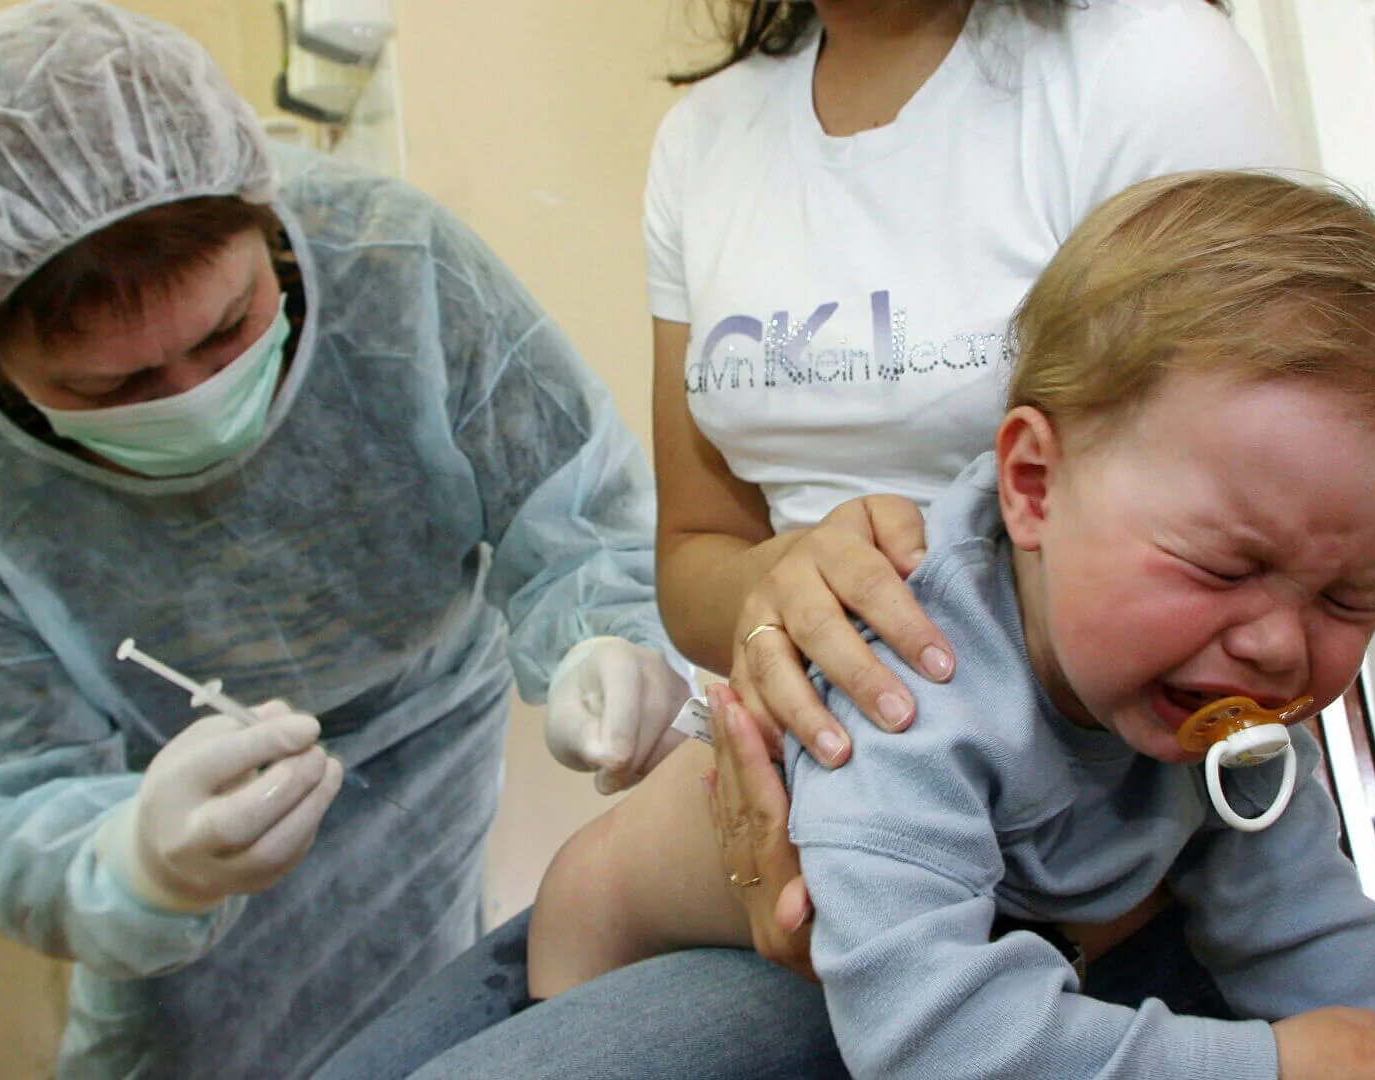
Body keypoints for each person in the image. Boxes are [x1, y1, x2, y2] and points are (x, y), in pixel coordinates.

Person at [318, 2, 1296, 1075]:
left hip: (1050, 858)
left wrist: (1048, 918)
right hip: (792, 802)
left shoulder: (1144, 69)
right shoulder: (708, 139)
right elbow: (698, 550)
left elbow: (1273, 541)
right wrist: (790, 588)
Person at [0, 2, 689, 1075]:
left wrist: (605, 640)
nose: (193, 397)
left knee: (432, 1024)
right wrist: (140, 865)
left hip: (426, 734)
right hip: (160, 807)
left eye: (228, 330)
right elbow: (13, 803)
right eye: (117, 387)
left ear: (267, 225)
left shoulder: (390, 262)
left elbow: (577, 519)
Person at [527, 170, 1375, 1080]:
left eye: (1346, 598)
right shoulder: (910, 689)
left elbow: (1302, 930)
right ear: (1032, 486)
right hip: (605, 935)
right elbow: (934, 1041)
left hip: (881, 945)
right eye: (1224, 568)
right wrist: (1265, 1065)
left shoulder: (1225, 704)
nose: (1278, 646)